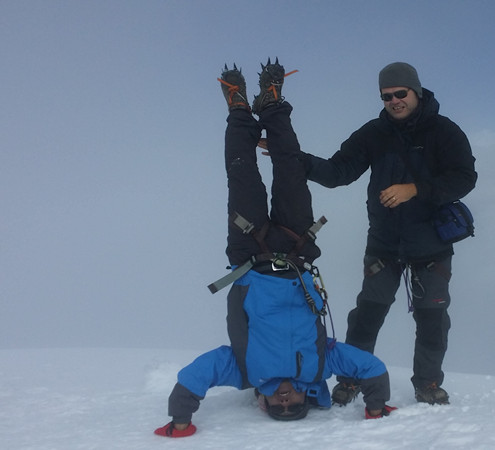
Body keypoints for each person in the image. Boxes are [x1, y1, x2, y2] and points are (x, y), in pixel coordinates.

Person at [154, 59, 394, 438]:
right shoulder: (320, 366)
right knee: (290, 168)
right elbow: (370, 368)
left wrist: (180, 418)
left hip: (249, 254)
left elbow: (197, 375)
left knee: (242, 174)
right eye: (294, 406)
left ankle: (238, 109)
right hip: (297, 248)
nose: (285, 400)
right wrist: (376, 408)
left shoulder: (245, 371)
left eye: (278, 407)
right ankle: (272, 103)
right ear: (306, 397)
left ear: (263, 402)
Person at [300, 62, 477, 406]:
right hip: (384, 242)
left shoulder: (444, 131)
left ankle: (427, 383)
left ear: (416, 91)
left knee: (432, 320)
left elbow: (464, 177)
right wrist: (294, 159)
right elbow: (338, 172)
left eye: (400, 93)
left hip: (431, 244)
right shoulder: (374, 133)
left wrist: (415, 189)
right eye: (386, 96)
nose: (394, 101)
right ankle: (352, 378)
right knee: (367, 315)